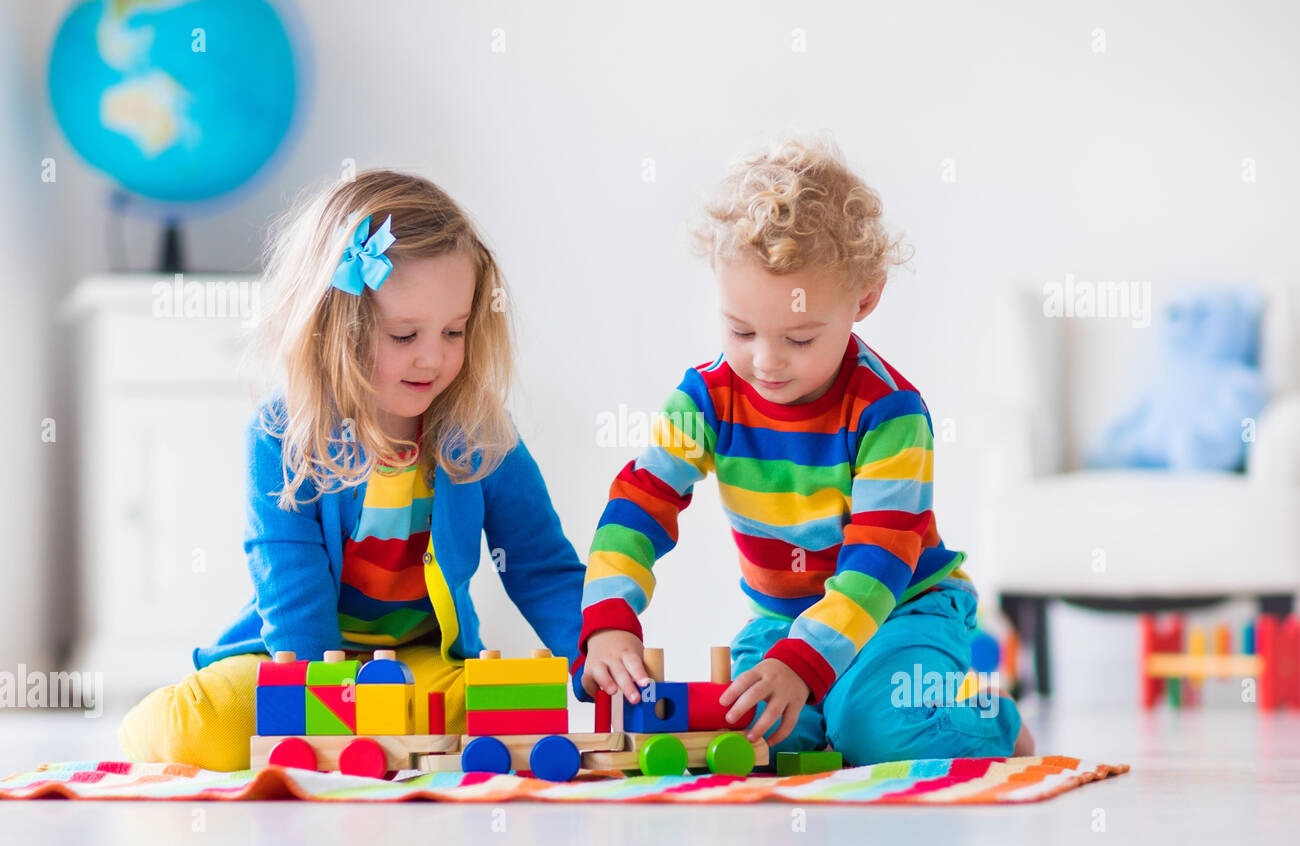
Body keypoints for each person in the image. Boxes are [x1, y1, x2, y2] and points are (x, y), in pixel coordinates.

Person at [576, 138, 1033, 768]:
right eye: (740, 330)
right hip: (787, 620)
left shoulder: (889, 413)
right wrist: (608, 619)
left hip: (900, 608)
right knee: (751, 739)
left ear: (863, 301)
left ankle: (990, 717)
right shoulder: (703, 400)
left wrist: (804, 664)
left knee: (874, 732)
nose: (765, 361)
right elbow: (641, 502)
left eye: (798, 337)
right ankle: (835, 699)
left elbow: (879, 564)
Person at [118, 170, 586, 771]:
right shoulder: (283, 433)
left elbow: (539, 560)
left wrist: (590, 646)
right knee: (203, 729)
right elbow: (289, 575)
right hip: (294, 656)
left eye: (454, 331)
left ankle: (384, 736)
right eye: (404, 334)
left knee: (503, 713)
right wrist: (324, 704)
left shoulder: (478, 432)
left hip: (414, 658)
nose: (433, 357)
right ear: (337, 329)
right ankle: (144, 727)